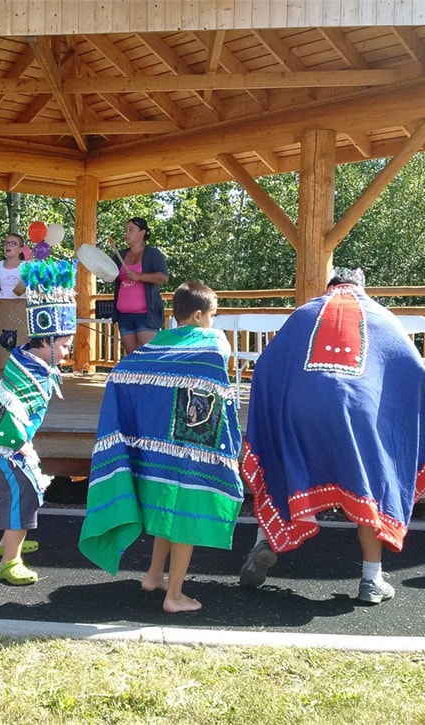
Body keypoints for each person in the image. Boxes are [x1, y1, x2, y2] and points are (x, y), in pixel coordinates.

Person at [239, 268, 425, 604]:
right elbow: (415, 369)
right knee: (370, 485)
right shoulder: (382, 317)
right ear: (362, 288)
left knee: (283, 465)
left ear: (328, 287)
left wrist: (275, 410)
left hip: (300, 409)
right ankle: (371, 580)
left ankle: (267, 542)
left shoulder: (304, 313)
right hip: (358, 412)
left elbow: (267, 365)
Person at [79, 282, 243, 612]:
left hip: (158, 447)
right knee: (184, 512)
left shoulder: (157, 345)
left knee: (167, 507)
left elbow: (123, 373)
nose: (214, 321)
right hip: (194, 445)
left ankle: (154, 576)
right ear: (198, 315)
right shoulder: (212, 344)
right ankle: (175, 595)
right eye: (213, 314)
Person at [0, 257, 78, 585]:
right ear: (45, 341)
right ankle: (9, 561)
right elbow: (11, 410)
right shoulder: (32, 373)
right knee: (24, 492)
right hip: (4, 441)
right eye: (64, 346)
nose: (67, 353)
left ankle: (7, 541)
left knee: (12, 493)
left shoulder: (26, 357)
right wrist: (24, 447)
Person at [111, 217, 169, 355]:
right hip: (124, 313)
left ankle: (150, 377)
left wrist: (140, 277)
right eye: (126, 230)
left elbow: (163, 277)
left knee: (148, 353)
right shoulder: (120, 254)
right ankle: (132, 377)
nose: (126, 233)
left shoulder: (152, 253)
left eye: (131, 230)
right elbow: (110, 276)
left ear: (142, 233)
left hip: (146, 314)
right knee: (131, 353)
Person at [0, 233, 28, 369]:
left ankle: (19, 383)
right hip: (2, 308)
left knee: (20, 345)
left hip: (20, 308)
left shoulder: (27, 267)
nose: (8, 245)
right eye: (6, 243)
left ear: (21, 249)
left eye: (13, 243)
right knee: (1, 346)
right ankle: (1, 384)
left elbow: (38, 288)